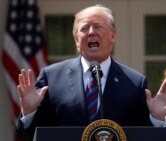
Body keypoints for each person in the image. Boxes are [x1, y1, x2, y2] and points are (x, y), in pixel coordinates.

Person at [16, 4, 152, 141]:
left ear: (113, 36)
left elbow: (146, 135)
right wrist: (29, 112)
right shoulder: (51, 77)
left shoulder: (135, 82)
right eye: (84, 28)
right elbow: (29, 136)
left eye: (98, 26)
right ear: (76, 40)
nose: (91, 32)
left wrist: (157, 118)